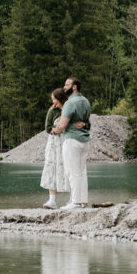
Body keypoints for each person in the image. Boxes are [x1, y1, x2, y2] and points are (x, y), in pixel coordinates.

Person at [51, 76, 91, 209]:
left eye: (67, 85)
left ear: (74, 87)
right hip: (84, 140)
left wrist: (55, 131)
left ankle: (75, 202)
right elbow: (87, 122)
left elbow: (62, 125)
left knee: (72, 172)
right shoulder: (86, 101)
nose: (64, 87)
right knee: (81, 171)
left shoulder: (69, 103)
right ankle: (83, 202)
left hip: (71, 140)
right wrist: (84, 124)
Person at [40, 87, 69, 209]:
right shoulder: (52, 111)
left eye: (54, 99)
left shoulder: (69, 110)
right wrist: (56, 130)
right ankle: (52, 201)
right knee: (51, 168)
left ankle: (72, 199)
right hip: (53, 143)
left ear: (60, 99)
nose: (53, 102)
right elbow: (47, 127)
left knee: (68, 168)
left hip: (67, 141)